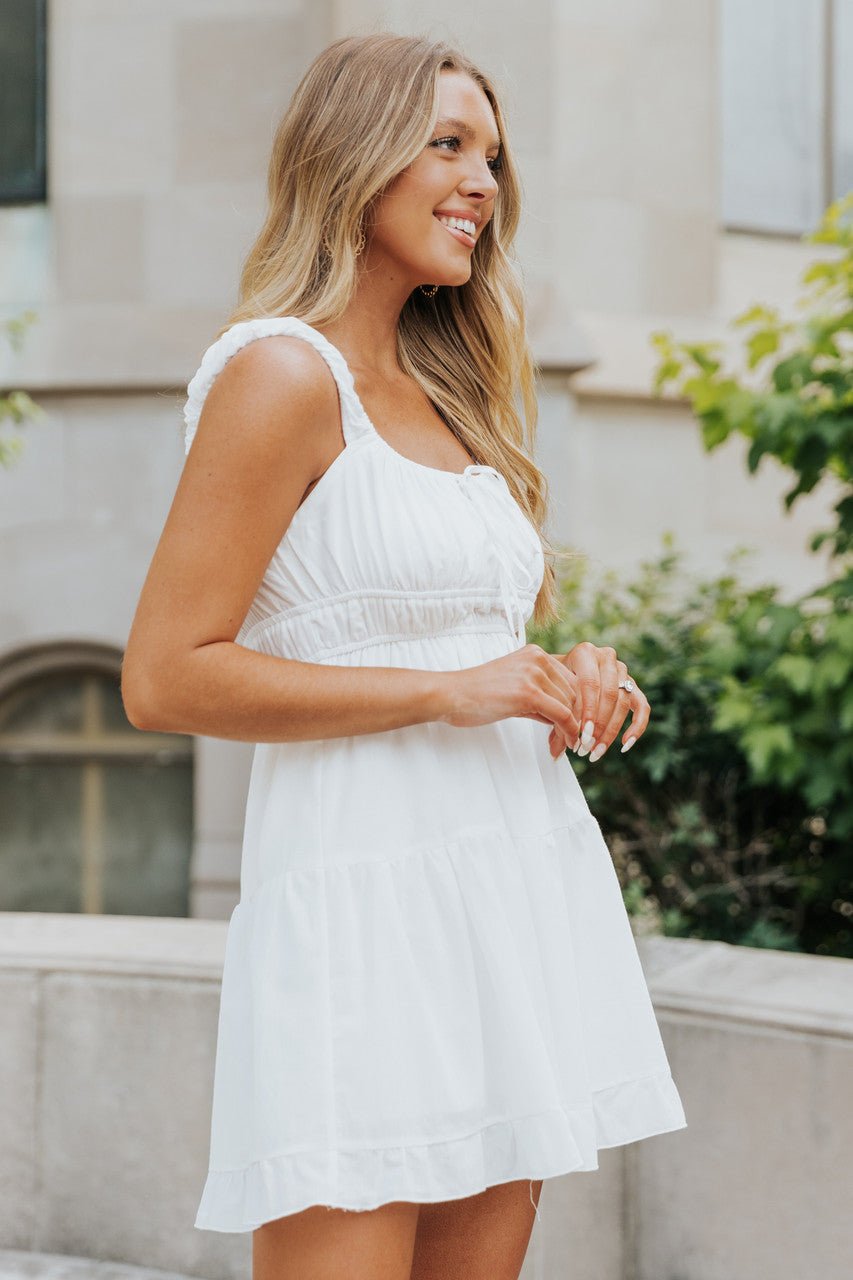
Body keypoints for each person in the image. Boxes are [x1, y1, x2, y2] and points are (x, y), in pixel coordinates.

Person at [121, 31, 687, 1280]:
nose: (482, 180)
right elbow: (164, 676)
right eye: (445, 143)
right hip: (361, 903)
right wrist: (450, 687)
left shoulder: (453, 393)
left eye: (491, 152)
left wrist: (562, 670)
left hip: (509, 885)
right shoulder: (278, 373)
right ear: (351, 156)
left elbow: (477, 646)